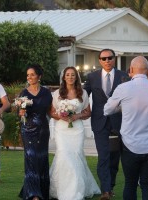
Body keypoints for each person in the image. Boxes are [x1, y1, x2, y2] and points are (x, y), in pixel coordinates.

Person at [104, 56, 148, 200]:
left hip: (129, 144)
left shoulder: (123, 88)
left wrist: (122, 108)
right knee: (147, 184)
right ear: (146, 70)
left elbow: (107, 110)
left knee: (130, 184)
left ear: (131, 70)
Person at [49, 66, 101, 200]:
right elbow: (52, 112)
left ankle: (76, 190)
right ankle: (62, 189)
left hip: (77, 129)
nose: (70, 77)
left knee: (76, 156)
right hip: (62, 130)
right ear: (64, 77)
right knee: (64, 155)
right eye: (68, 75)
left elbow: (88, 112)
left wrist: (76, 116)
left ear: (76, 77)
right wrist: (61, 116)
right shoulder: (57, 94)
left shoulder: (82, 93)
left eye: (73, 75)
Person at [84, 49, 128, 200]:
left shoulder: (124, 76)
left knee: (115, 157)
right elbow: (83, 96)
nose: (107, 61)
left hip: (119, 122)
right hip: (100, 122)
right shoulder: (92, 77)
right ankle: (105, 191)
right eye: (104, 58)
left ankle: (111, 186)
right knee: (103, 156)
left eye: (110, 58)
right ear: (99, 61)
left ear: (114, 59)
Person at [18, 64, 53, 200]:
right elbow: (19, 113)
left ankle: (42, 191)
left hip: (43, 130)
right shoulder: (24, 93)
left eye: (32, 74)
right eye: (28, 75)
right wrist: (20, 112)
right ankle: (34, 194)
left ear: (39, 76)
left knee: (42, 159)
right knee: (31, 159)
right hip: (28, 130)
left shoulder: (46, 92)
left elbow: (50, 111)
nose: (30, 77)